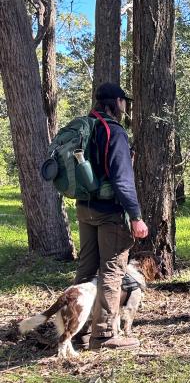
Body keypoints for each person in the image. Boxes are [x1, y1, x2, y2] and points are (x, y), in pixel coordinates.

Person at [73, 82, 149, 350]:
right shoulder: (114, 131)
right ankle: (104, 334)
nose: (125, 106)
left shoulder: (85, 126)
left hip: (85, 209)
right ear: (116, 102)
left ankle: (78, 330)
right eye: (123, 101)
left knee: (85, 269)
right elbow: (122, 179)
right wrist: (136, 216)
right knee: (111, 271)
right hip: (110, 213)